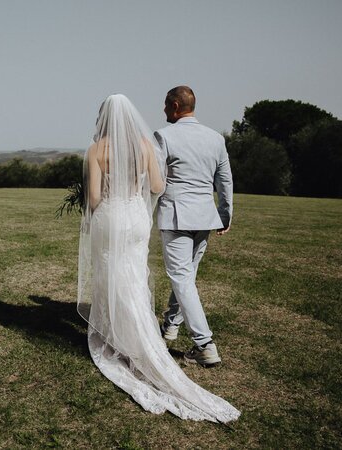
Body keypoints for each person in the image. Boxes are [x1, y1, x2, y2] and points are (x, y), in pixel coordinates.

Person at [77, 94, 239, 423]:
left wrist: (105, 204)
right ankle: (146, 335)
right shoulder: (145, 143)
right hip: (138, 219)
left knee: (114, 276)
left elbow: (94, 196)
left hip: (112, 216)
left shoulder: (97, 149)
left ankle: (122, 337)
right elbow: (156, 184)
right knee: (134, 278)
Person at [155, 86, 234, 367]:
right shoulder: (215, 138)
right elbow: (224, 180)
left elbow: (154, 181)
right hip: (205, 217)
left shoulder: (163, 136)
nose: (163, 110)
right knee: (185, 277)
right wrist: (225, 214)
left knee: (183, 279)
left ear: (176, 106)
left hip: (176, 216)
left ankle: (204, 344)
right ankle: (170, 327)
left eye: (165, 105)